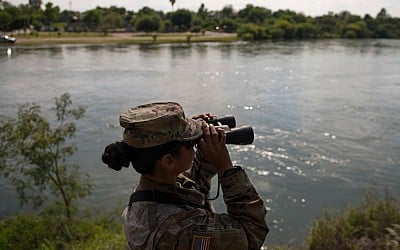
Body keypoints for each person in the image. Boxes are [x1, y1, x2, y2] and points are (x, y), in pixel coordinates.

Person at [102, 102, 268, 250]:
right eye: (190, 144)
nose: (194, 147)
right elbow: (251, 235)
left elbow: (193, 191)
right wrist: (226, 168)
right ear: (168, 160)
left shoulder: (150, 189)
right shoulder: (183, 230)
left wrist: (204, 149)